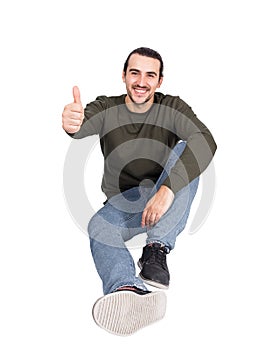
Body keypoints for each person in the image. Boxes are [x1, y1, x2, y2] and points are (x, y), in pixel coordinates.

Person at [62, 47, 217, 336]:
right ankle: (126, 287)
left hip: (165, 194)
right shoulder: (106, 107)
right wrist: (73, 122)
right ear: (123, 76)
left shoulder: (172, 107)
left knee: (189, 148)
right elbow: (82, 124)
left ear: (159, 81)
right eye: (134, 73)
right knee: (98, 225)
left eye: (150, 75)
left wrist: (168, 189)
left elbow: (205, 140)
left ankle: (155, 250)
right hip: (126, 201)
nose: (141, 82)